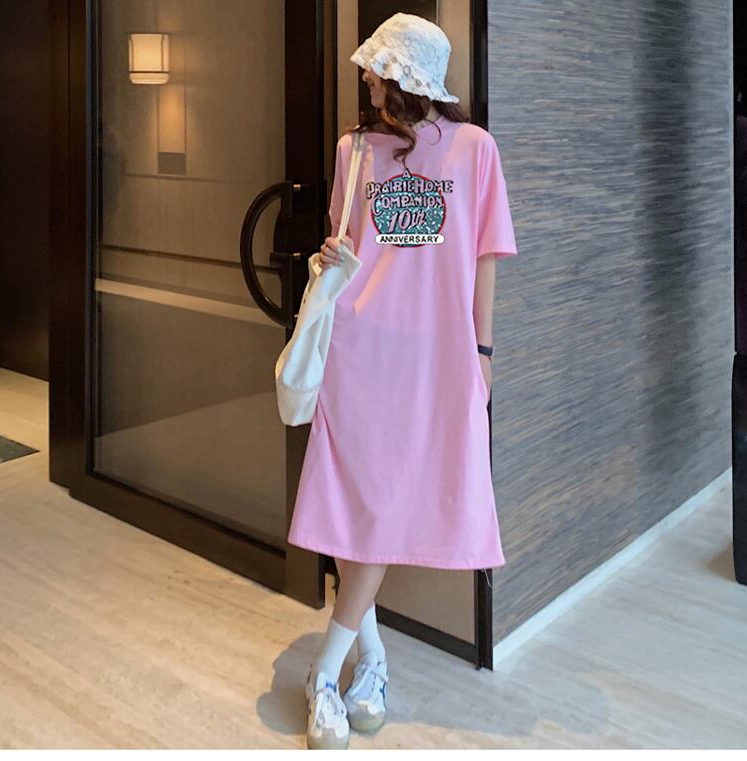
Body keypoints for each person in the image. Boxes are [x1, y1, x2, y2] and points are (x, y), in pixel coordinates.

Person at [286, 12, 519, 750]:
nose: (364, 76)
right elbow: (347, 247)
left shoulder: (474, 149)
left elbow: (485, 254)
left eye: (376, 66)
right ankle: (350, 666)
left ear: (404, 76)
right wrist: (329, 255)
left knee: (382, 504)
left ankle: (344, 665)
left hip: (435, 357)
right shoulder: (352, 150)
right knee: (356, 502)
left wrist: (482, 349)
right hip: (360, 351)